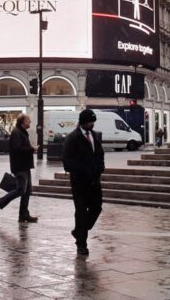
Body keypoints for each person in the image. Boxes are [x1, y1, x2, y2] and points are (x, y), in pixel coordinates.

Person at [62, 108, 105, 255]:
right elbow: (67, 162)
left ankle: (79, 231)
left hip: (94, 180)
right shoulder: (73, 138)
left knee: (97, 208)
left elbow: (99, 154)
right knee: (80, 212)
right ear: (83, 122)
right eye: (89, 122)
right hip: (79, 182)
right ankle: (82, 244)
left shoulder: (95, 135)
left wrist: (100, 169)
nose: (92, 124)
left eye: (93, 122)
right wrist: (83, 170)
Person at [0, 113, 38, 223]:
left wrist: (30, 149)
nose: (30, 121)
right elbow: (17, 149)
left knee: (27, 191)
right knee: (21, 190)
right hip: (20, 166)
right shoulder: (16, 133)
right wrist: (31, 149)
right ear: (23, 122)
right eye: (28, 119)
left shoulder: (21, 132)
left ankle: (23, 215)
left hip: (25, 166)